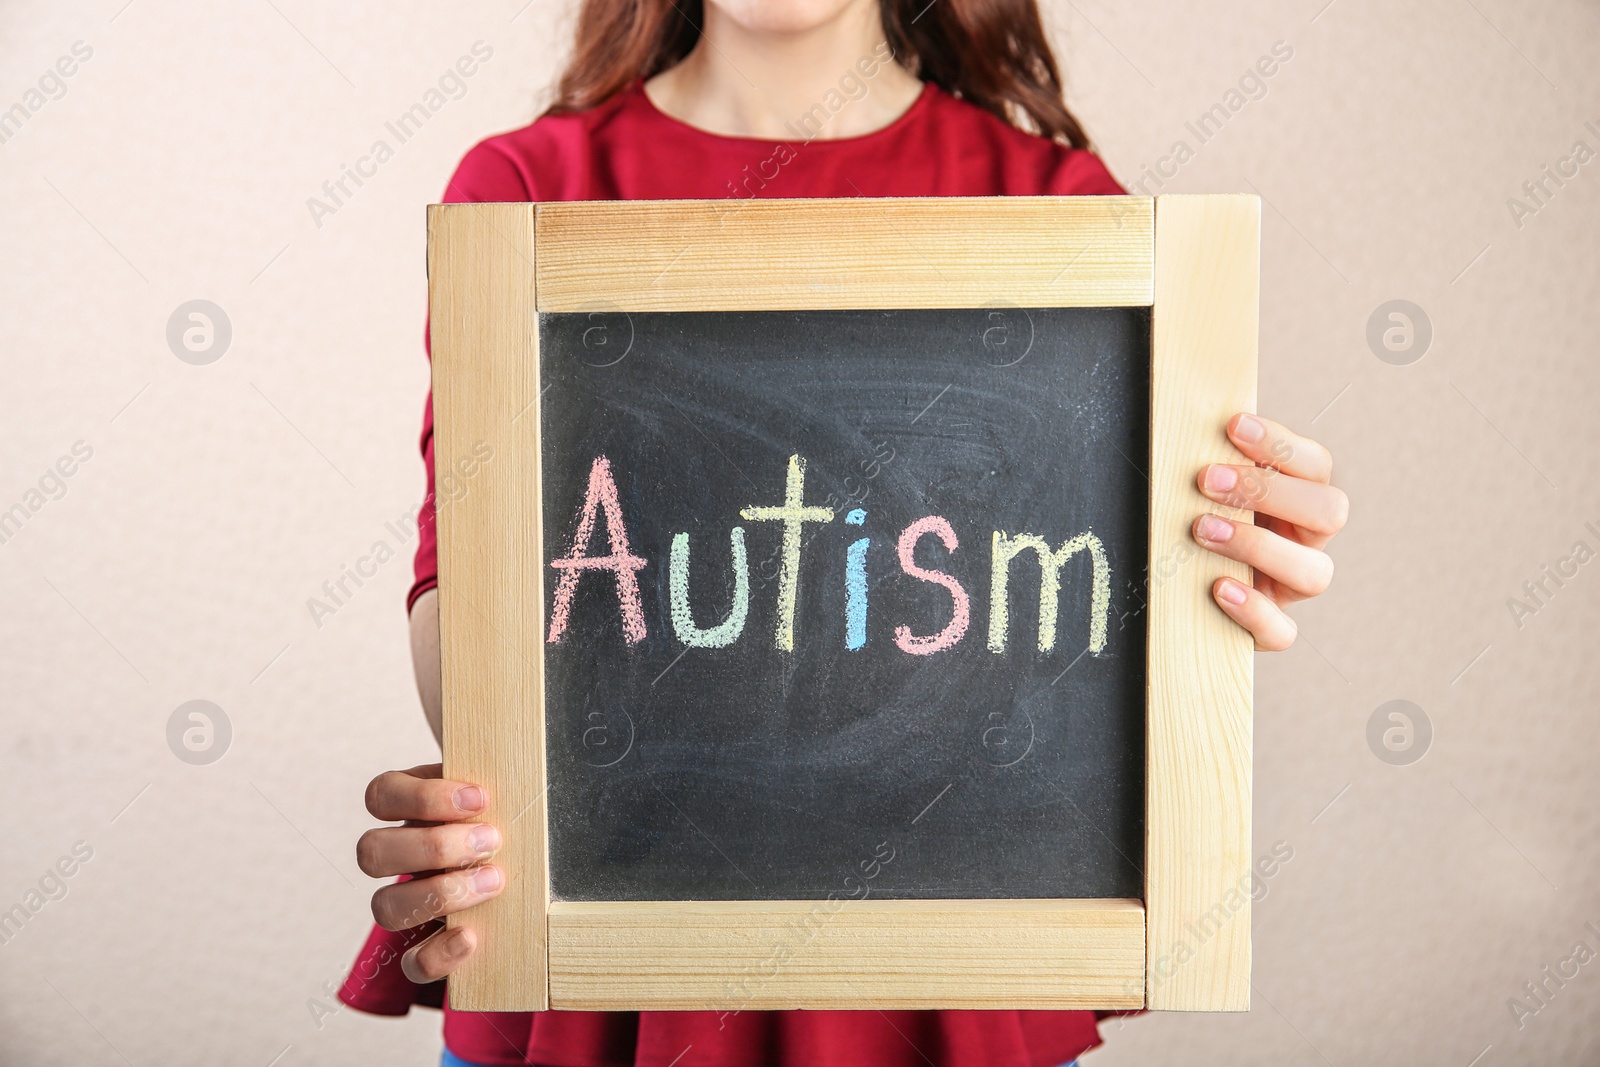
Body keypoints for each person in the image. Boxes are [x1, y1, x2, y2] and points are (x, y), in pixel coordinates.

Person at [340, 2, 1350, 1064]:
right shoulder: (529, 188)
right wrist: (501, 751)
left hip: (940, 993)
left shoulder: (1052, 202)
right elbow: (469, 576)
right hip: (604, 992)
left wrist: (1213, 574)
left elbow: (1088, 626)